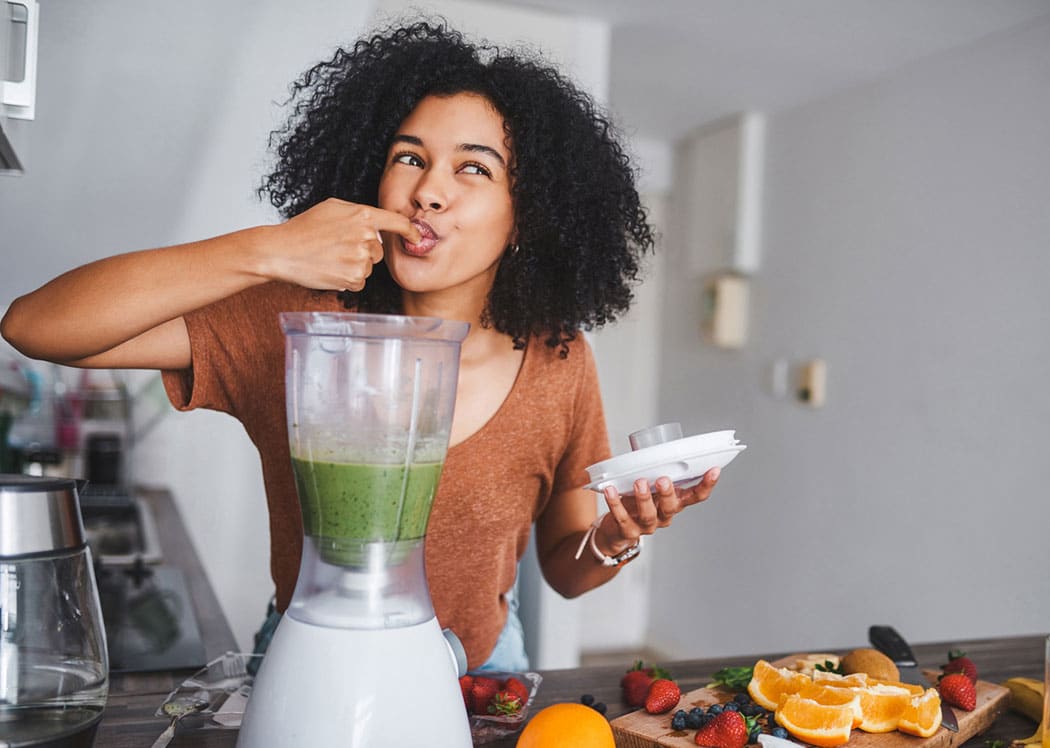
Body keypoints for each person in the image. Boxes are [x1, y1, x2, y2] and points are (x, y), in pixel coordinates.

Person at [1, 19, 721, 671]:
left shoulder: (558, 360)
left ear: (527, 215)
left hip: (483, 680)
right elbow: (35, 326)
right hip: (309, 662)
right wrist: (270, 250)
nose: (428, 191)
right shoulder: (297, 322)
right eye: (410, 157)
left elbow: (567, 572)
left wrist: (618, 536)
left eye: (473, 167)